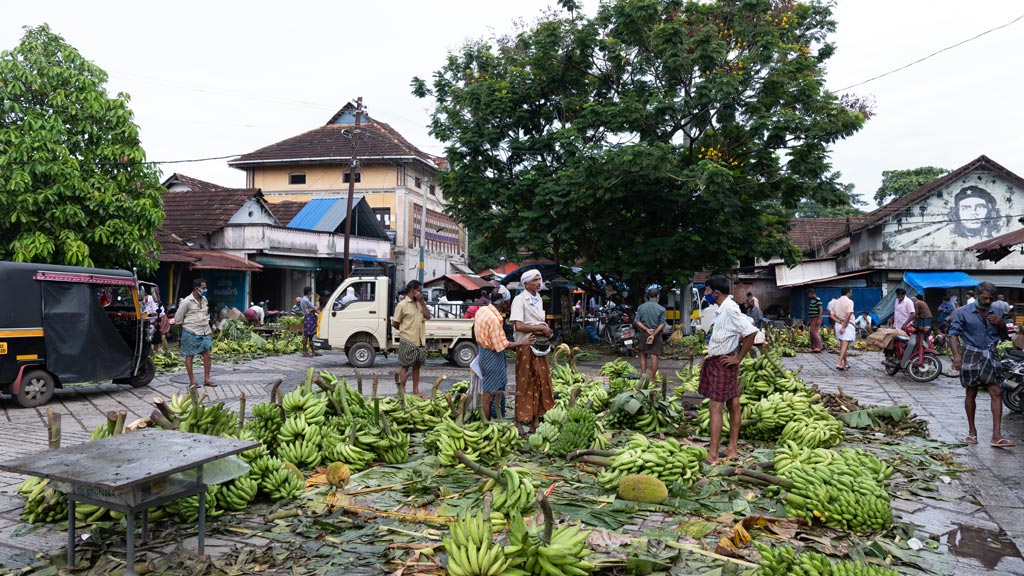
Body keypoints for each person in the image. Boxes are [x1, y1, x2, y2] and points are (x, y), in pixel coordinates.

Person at [699, 275, 757, 464]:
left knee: (715, 407)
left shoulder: (730, 309)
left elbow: (751, 331)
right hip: (720, 360)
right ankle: (732, 449)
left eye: (707, 291)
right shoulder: (724, 309)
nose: (706, 294)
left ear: (716, 292)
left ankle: (713, 455)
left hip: (723, 364)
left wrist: (738, 358)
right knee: (733, 403)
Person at [948, 282, 1013, 447]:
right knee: (971, 392)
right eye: (984, 298)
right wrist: (956, 356)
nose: (986, 301)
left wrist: (1001, 324)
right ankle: (972, 432)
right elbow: (953, 335)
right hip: (971, 353)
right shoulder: (962, 312)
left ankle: (996, 436)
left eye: (990, 299)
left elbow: (1004, 337)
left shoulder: (997, 311)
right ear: (977, 295)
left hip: (991, 353)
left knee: (996, 391)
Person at [474, 285, 534, 421]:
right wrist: (521, 342)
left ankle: (497, 418)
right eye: (508, 303)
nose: (509, 305)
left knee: (498, 389)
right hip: (492, 357)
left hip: (483, 352)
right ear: (503, 303)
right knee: (489, 393)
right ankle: (486, 424)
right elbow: (502, 345)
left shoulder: (482, 311)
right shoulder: (495, 320)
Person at [509, 269, 555, 433]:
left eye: (539, 279)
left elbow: (539, 322)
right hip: (526, 344)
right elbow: (518, 325)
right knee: (525, 381)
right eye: (535, 280)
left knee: (541, 380)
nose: (538, 282)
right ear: (526, 283)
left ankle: (536, 418)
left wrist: (546, 329)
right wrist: (539, 328)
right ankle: (520, 420)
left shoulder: (539, 299)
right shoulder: (519, 300)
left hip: (540, 345)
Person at [392, 280, 431, 396]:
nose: (420, 293)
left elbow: (428, 316)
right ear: (412, 290)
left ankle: (415, 391)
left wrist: (422, 302)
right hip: (407, 340)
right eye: (419, 291)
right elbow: (395, 323)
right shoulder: (402, 305)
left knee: (417, 367)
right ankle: (402, 391)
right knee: (405, 366)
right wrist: (406, 330)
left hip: (420, 341)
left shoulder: (420, 303)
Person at [174, 278, 215, 388]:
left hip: (205, 331)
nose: (205, 290)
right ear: (197, 289)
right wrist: (186, 326)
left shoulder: (205, 299)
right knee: (189, 356)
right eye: (204, 288)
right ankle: (192, 381)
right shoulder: (186, 301)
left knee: (207, 355)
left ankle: (207, 379)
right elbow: (178, 319)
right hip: (191, 331)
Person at [634, 284, 667, 382]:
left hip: (644, 334)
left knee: (643, 355)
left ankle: (643, 376)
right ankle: (652, 380)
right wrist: (653, 334)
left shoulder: (641, 307)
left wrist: (646, 330)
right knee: (654, 356)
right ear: (658, 296)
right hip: (656, 335)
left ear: (648, 296)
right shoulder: (661, 309)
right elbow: (662, 324)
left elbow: (637, 321)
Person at [833, 288, 855, 371]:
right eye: (851, 292)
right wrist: (844, 326)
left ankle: (846, 363)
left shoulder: (835, 302)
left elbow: (832, 315)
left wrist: (839, 322)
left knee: (843, 345)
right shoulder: (850, 302)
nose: (851, 293)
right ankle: (839, 362)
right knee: (845, 345)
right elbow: (848, 314)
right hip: (847, 325)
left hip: (838, 324)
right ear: (848, 293)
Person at [300, 287, 320, 357]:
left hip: (308, 318)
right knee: (307, 336)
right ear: (308, 292)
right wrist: (317, 309)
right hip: (310, 318)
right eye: (311, 292)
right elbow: (312, 309)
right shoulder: (306, 300)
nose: (311, 293)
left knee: (310, 336)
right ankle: (304, 352)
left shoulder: (303, 299)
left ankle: (313, 351)